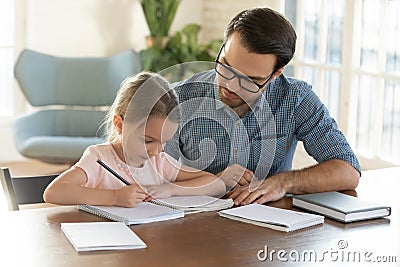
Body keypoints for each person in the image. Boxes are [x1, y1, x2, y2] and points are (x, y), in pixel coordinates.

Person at [164, 7, 361, 206]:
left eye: (250, 80)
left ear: (276, 73)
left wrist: (282, 183)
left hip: (272, 225)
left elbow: (348, 171)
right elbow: (150, 176)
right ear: (222, 48)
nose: (230, 86)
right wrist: (213, 182)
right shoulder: (179, 98)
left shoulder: (295, 98)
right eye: (226, 67)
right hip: (194, 224)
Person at [44, 72, 225, 207]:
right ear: (119, 124)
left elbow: (216, 185)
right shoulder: (99, 159)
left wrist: (170, 189)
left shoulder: (159, 163)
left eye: (165, 141)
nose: (157, 150)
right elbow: (54, 192)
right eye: (148, 141)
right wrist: (114, 197)